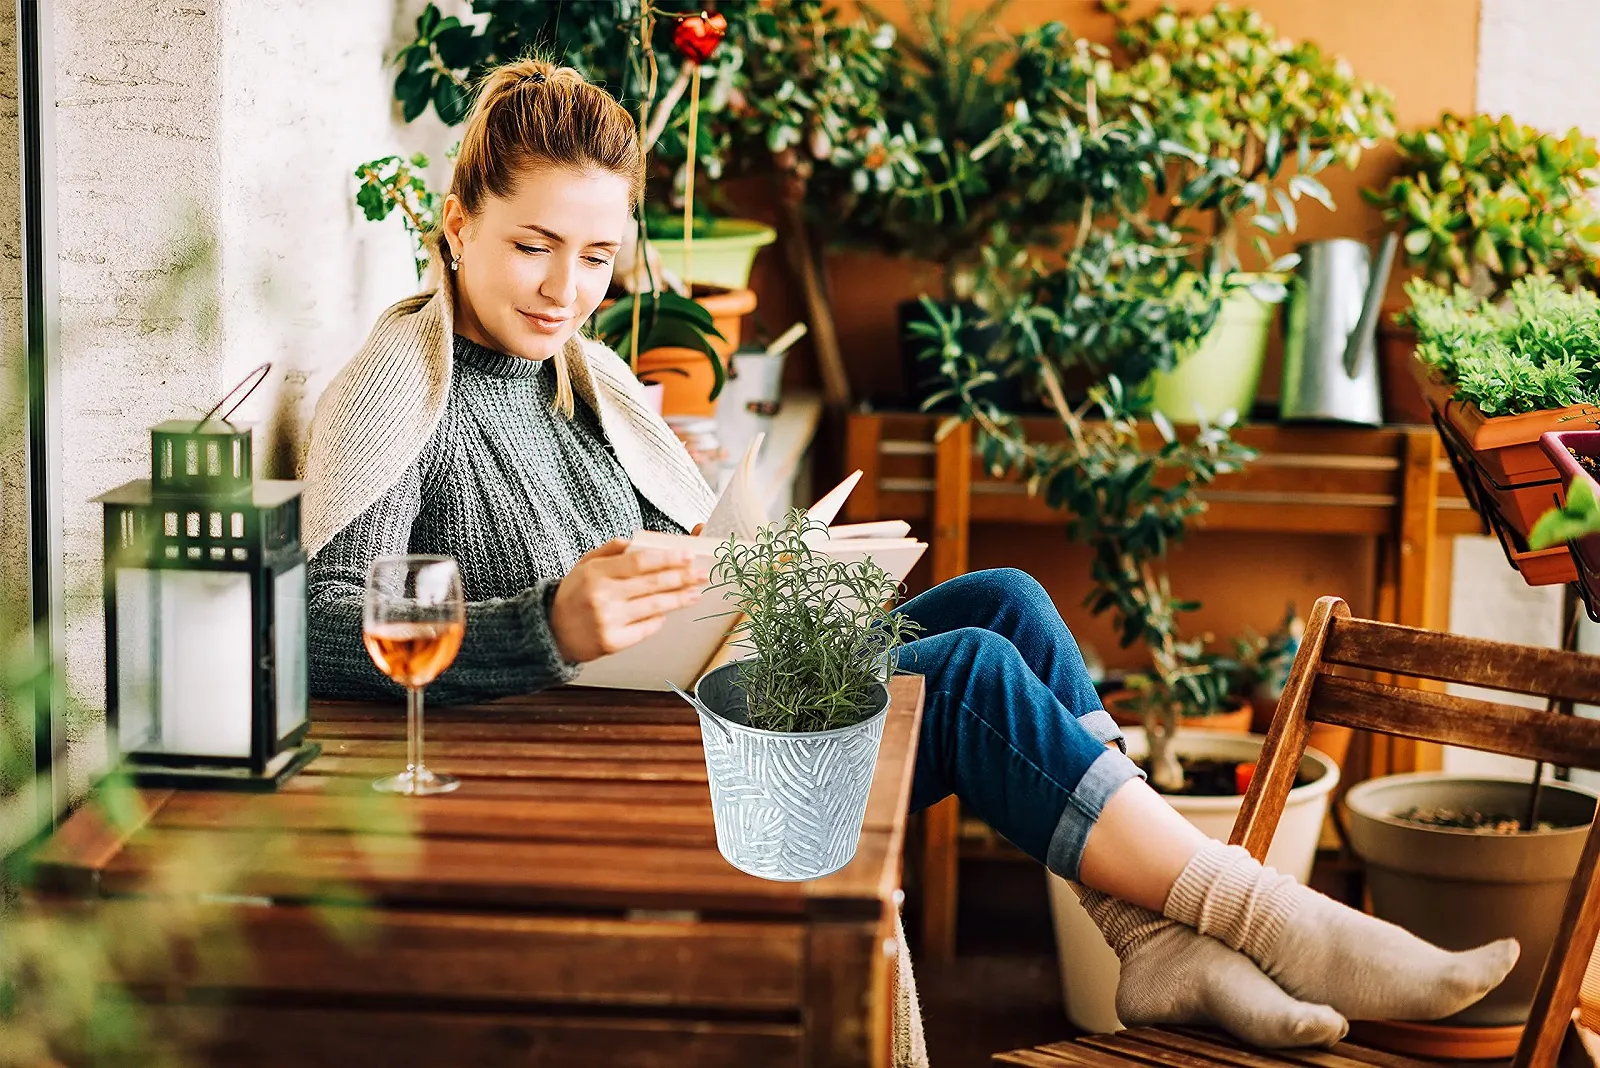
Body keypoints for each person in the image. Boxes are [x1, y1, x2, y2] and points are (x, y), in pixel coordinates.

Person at [302, 58, 1517, 1054]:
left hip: (667, 705)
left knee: (1008, 602)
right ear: (454, 220)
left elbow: (663, 572)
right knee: (976, 673)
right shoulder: (398, 390)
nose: (567, 287)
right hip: (606, 764)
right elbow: (312, 615)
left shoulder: (574, 378)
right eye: (532, 246)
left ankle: (1151, 946)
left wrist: (768, 570)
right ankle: (1261, 916)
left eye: (597, 257)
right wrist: (543, 623)